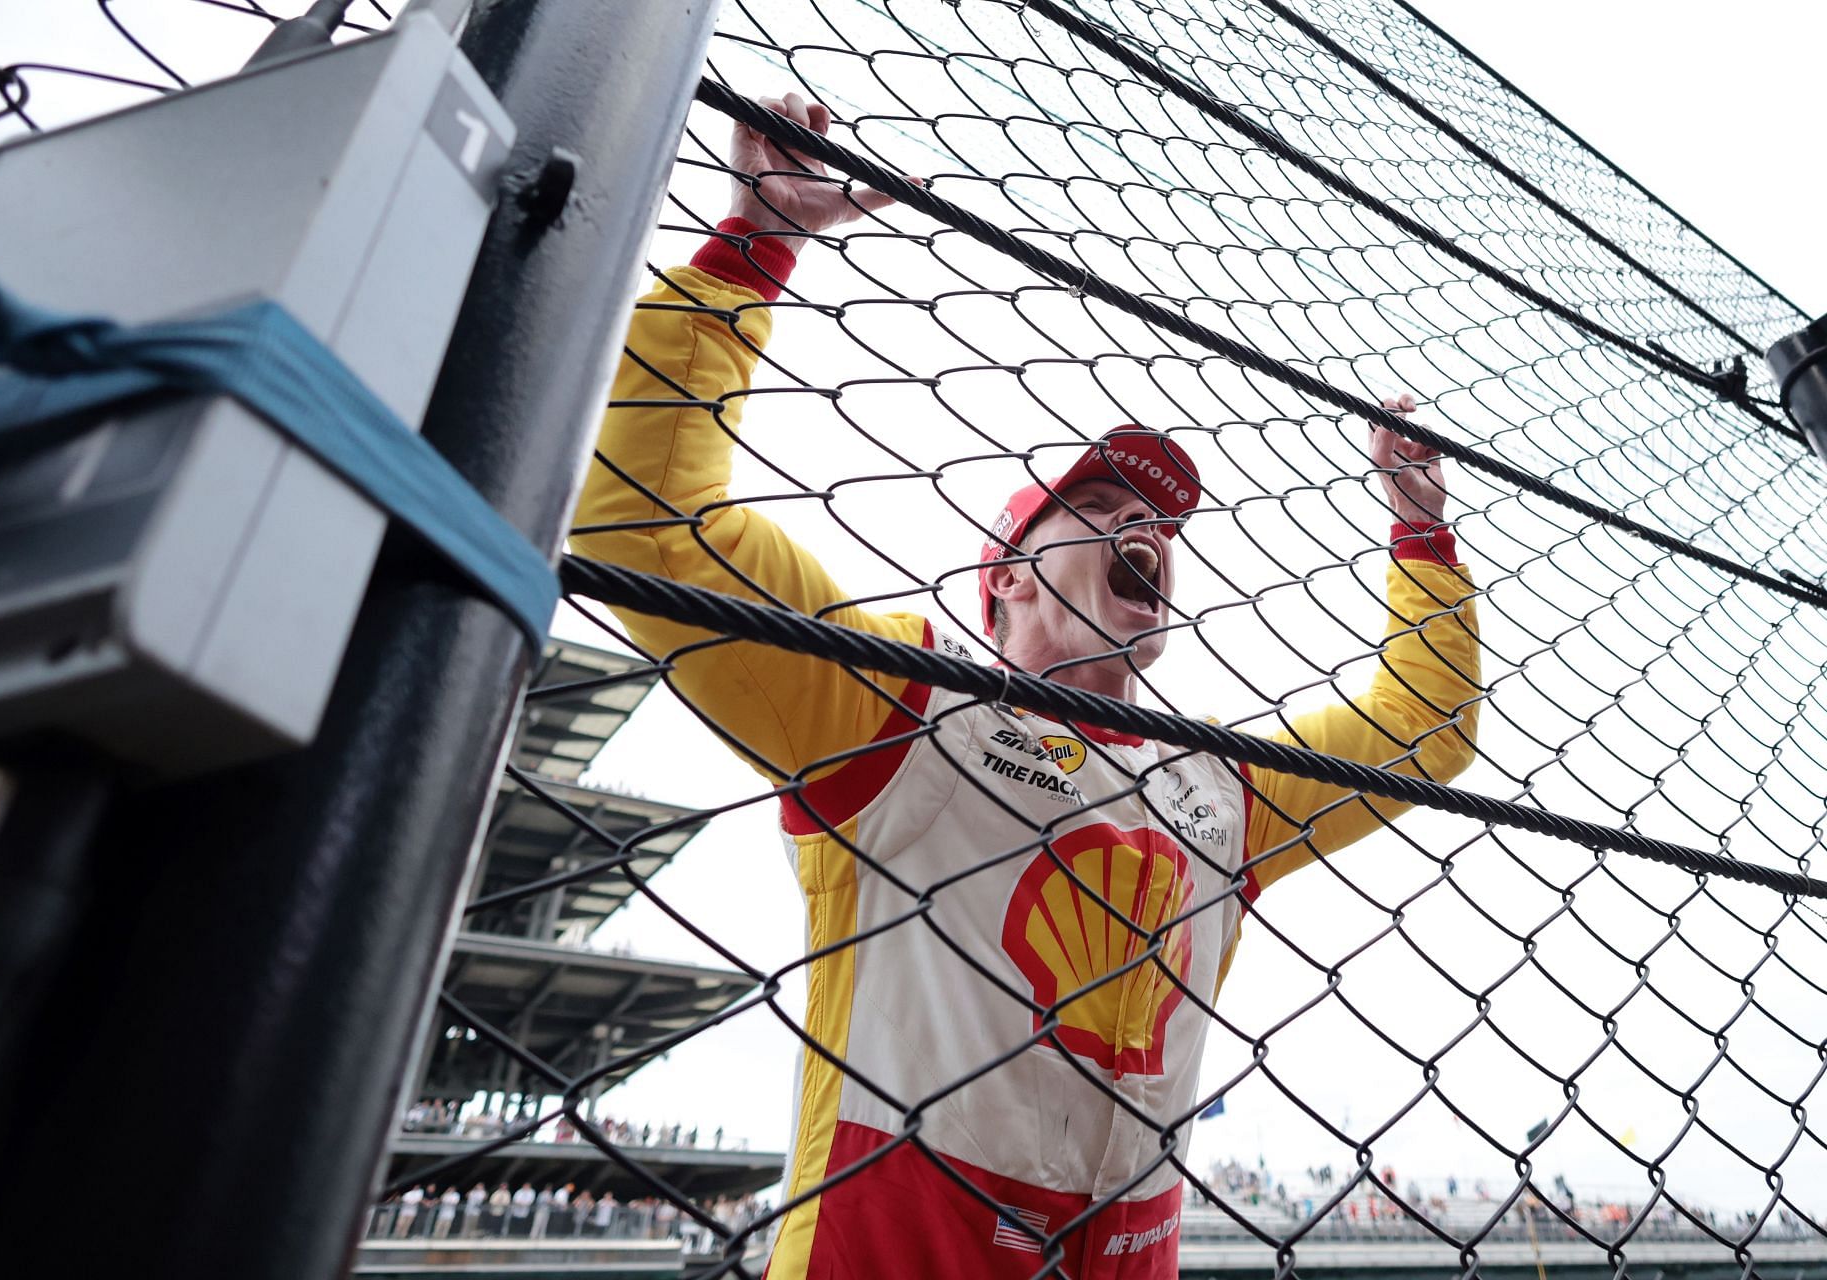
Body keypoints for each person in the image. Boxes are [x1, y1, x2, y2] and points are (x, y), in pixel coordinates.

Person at [572, 92, 1480, 1280]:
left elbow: (1425, 734)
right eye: (1099, 511)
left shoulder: (1221, 783)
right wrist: (755, 244)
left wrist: (1423, 536)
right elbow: (648, 525)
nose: (1143, 522)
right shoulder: (899, 704)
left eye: (1156, 518)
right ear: (1001, 579)